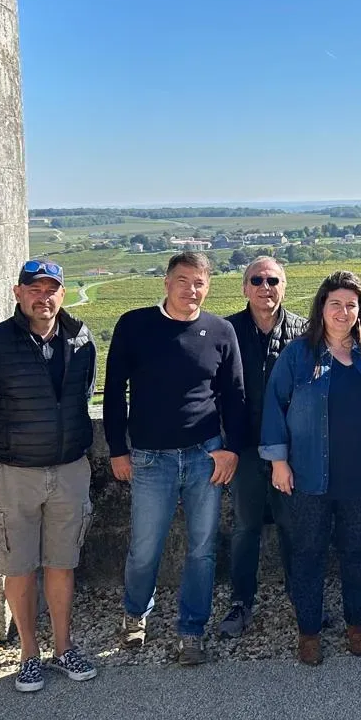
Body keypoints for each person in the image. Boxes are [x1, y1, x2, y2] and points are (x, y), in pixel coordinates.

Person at [0, 259, 99, 692]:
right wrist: (6, 440)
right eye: (34, 289)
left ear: (62, 294)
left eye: (51, 289)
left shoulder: (81, 339)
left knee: (62, 563)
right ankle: (28, 654)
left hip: (69, 470)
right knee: (18, 567)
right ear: (18, 293)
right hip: (13, 474)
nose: (43, 297)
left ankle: (64, 647)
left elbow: (83, 396)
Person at [104, 251, 247, 665]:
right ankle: (135, 613)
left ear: (209, 287)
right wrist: (116, 449)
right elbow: (113, 392)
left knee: (202, 549)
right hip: (150, 458)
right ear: (166, 282)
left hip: (205, 456)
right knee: (144, 548)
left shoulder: (220, 331)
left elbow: (235, 396)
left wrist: (231, 449)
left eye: (199, 282)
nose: (191, 290)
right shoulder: (134, 325)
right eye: (183, 280)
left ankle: (192, 631)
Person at [260, 271, 361, 665]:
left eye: (351, 305)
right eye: (335, 304)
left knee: (357, 552)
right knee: (308, 553)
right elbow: (274, 405)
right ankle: (308, 631)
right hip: (310, 474)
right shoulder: (298, 354)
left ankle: (355, 624)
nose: (343, 312)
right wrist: (278, 462)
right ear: (321, 308)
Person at [218, 256, 307, 638]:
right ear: (244, 287)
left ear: (284, 286)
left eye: (272, 280)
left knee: (294, 527)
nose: (265, 287)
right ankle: (241, 602)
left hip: (291, 450)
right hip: (244, 448)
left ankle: (301, 597)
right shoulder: (225, 331)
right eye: (256, 280)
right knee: (245, 527)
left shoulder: (304, 332)